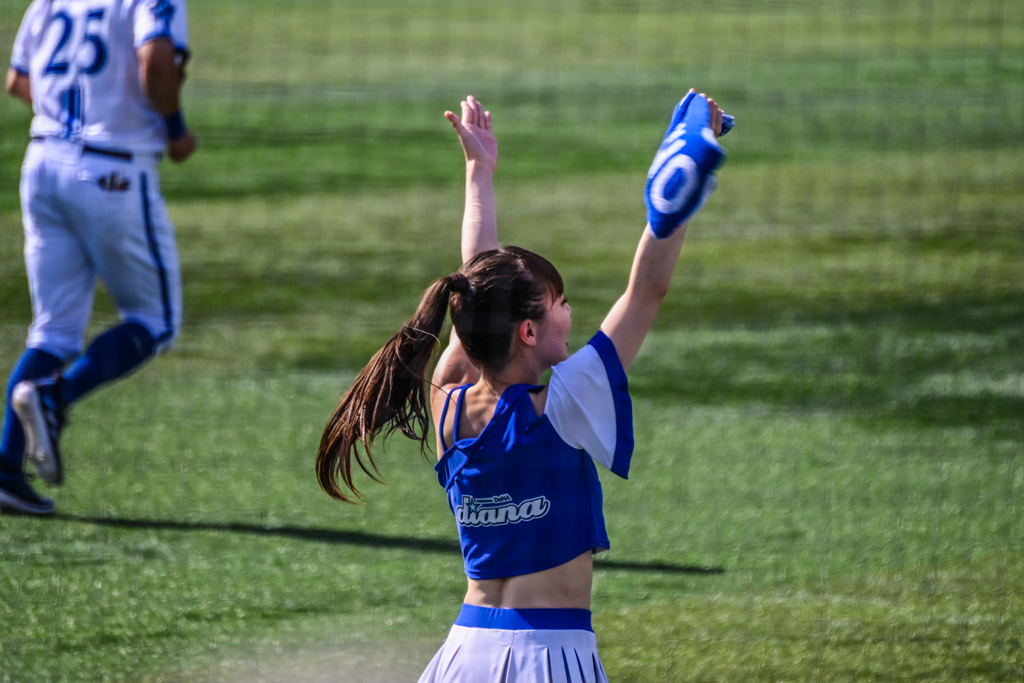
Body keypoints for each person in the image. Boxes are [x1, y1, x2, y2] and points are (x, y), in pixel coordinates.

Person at [317, 92, 729, 682]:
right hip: (552, 660)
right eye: (560, 303)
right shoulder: (564, 405)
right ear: (530, 330)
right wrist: (670, 209)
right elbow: (645, 293)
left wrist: (478, 173)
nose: (571, 312)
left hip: (461, 657)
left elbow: (477, 287)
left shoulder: (447, 401)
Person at [0, 0, 197, 515]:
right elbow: (154, 62)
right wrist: (174, 129)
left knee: (53, 330)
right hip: (112, 171)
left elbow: (18, 81)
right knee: (157, 321)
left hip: (43, 162)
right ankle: (55, 397)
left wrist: (78, 109)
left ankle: (4, 469)